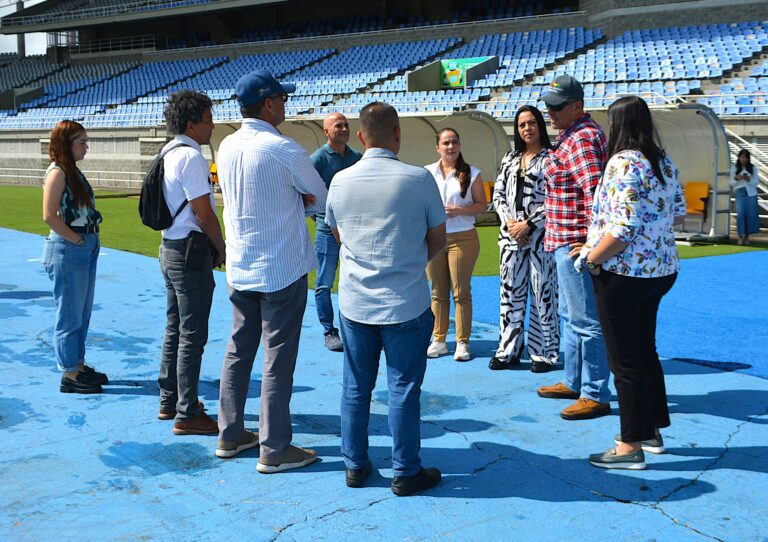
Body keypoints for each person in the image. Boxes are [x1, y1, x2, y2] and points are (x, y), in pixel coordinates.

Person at [325, 102, 446, 496]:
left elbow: (337, 234)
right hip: (405, 301)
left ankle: (355, 464)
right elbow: (437, 242)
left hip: (356, 302)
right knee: (403, 387)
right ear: (397, 133)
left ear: (361, 136)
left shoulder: (341, 181)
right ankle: (405, 469)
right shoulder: (419, 178)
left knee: (356, 387)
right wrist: (404, 263)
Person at [216, 69, 328, 470]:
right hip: (280, 266)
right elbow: (321, 198)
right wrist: (299, 205)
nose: (285, 104)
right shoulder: (285, 149)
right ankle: (275, 448)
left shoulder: (225, 145)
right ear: (267, 103)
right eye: (281, 98)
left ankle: (230, 434)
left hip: (241, 263)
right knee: (277, 358)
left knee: (237, 350)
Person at [572, 96, 686, 469]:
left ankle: (629, 445)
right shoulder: (663, 161)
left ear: (618, 124)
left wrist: (591, 257)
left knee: (625, 362)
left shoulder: (622, 163)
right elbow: (679, 213)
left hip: (624, 273)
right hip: (660, 270)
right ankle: (651, 430)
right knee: (644, 351)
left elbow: (622, 229)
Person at [536, 75, 612, 420]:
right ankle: (575, 380)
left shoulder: (581, 138)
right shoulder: (572, 135)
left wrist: (590, 242)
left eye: (557, 106)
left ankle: (594, 392)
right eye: (548, 105)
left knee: (585, 320)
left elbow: (596, 193)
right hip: (565, 241)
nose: (549, 112)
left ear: (577, 106)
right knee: (572, 316)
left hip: (573, 244)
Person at [157, 91, 226, 436]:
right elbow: (203, 213)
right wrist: (221, 246)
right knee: (192, 334)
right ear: (191, 123)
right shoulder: (192, 158)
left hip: (169, 246)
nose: (212, 124)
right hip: (190, 250)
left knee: (176, 328)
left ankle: (170, 400)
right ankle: (187, 412)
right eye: (208, 118)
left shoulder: (167, 152)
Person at [490, 105, 559, 372]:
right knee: (510, 295)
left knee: (543, 293)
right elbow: (498, 195)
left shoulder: (551, 158)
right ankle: (508, 350)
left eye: (531, 123)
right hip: (510, 239)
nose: (527, 128)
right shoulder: (510, 158)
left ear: (540, 126)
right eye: (521, 125)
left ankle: (544, 353)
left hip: (540, 238)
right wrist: (510, 223)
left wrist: (529, 224)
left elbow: (555, 198)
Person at [42, 120, 108, 394]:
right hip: (71, 248)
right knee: (69, 315)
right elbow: (48, 216)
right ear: (66, 144)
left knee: (81, 312)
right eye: (81, 141)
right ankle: (69, 372)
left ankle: (78, 365)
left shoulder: (72, 172)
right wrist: (77, 240)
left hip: (84, 244)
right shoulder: (58, 173)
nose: (86, 146)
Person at [424, 128, 486, 361]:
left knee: (460, 292)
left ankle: (463, 342)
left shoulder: (472, 173)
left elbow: (482, 205)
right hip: (434, 237)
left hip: (463, 237)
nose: (451, 147)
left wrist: (459, 210)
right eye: (446, 143)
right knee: (437, 292)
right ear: (437, 147)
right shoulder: (427, 173)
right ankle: (439, 340)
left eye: (455, 142)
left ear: (460, 145)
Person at [309, 112, 362, 352]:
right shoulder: (317, 159)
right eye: (337, 125)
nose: (343, 129)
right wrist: (319, 218)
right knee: (324, 283)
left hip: (355, 230)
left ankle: (359, 326)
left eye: (346, 125)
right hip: (327, 232)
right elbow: (304, 193)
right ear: (326, 131)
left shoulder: (357, 158)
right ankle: (329, 330)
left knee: (358, 280)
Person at [730, 149, 760, 246]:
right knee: (741, 214)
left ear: (748, 158)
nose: (744, 159)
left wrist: (749, 179)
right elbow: (730, 182)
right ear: (739, 157)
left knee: (750, 215)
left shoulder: (753, 168)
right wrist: (736, 178)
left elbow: (756, 182)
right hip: (740, 192)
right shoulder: (734, 167)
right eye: (742, 157)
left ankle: (747, 237)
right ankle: (740, 236)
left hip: (751, 193)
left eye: (746, 157)